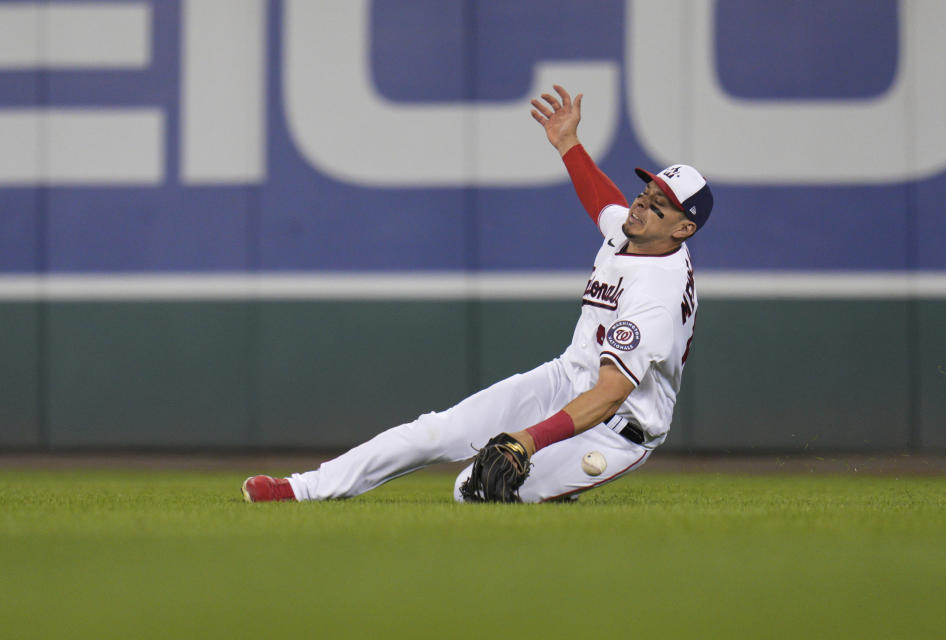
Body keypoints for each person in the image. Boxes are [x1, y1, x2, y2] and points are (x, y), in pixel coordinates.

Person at [242, 85, 713, 504]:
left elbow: (610, 395)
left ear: (684, 229)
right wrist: (568, 143)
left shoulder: (658, 292)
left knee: (474, 487)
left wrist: (527, 440)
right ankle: (299, 488)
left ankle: (553, 499)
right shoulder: (631, 233)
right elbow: (602, 200)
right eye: (646, 192)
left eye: (659, 206)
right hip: (566, 380)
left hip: (618, 429)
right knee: (435, 430)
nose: (641, 205)